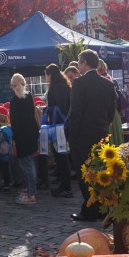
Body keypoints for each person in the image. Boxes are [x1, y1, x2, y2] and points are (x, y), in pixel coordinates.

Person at [65, 49, 116, 222]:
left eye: (79, 62)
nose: (79, 66)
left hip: (82, 135)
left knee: (84, 173)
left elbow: (76, 111)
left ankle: (89, 210)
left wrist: (71, 133)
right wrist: (104, 125)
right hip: (101, 133)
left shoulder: (79, 83)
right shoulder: (108, 84)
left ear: (84, 63)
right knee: (99, 171)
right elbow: (111, 111)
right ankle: (102, 207)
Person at [8, 74, 39, 205]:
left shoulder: (14, 101)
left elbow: (15, 123)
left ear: (12, 86)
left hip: (21, 135)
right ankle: (29, 191)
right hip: (32, 133)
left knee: (26, 166)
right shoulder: (29, 97)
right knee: (30, 164)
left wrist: (14, 139)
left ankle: (30, 194)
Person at [45, 64, 73, 198]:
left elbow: (60, 107)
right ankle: (63, 184)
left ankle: (66, 187)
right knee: (60, 155)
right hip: (61, 125)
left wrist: (47, 110)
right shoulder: (62, 84)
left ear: (50, 74)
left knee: (61, 156)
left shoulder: (57, 86)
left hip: (59, 125)